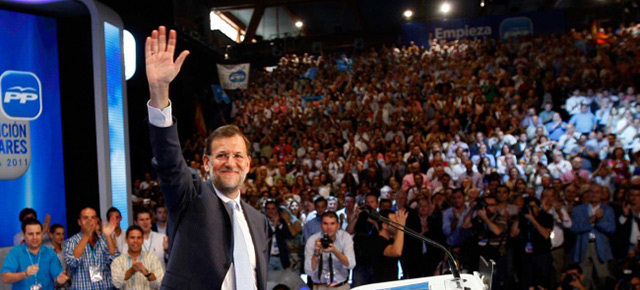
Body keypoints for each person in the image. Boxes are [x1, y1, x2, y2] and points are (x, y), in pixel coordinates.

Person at [145, 26, 268, 289]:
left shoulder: (260, 222)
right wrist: (159, 92)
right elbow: (168, 161)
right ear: (206, 163)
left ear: (248, 164)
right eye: (221, 155)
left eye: (237, 155)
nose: (230, 162)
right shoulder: (190, 196)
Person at [1, 219, 70, 290]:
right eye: (31, 234)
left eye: (38, 233)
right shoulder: (15, 252)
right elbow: (5, 278)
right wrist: (24, 274)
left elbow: (57, 279)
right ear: (23, 234)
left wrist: (60, 280)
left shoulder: (50, 253)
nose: (35, 237)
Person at [570, 184, 615, 290]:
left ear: (601, 195)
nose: (594, 195)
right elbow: (574, 228)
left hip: (600, 247)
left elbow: (611, 229)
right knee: (584, 276)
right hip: (583, 246)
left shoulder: (608, 210)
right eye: (591, 192)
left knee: (602, 276)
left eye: (597, 192)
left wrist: (599, 221)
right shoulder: (578, 209)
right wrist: (590, 222)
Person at [64, 207, 118, 290]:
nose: (90, 220)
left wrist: (108, 237)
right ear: (79, 222)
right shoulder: (71, 241)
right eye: (86, 218)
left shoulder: (104, 239)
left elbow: (114, 260)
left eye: (93, 218)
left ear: (97, 221)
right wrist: (86, 235)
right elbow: (73, 261)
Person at [304, 212, 355, 290]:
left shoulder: (345, 237)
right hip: (320, 286)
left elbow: (351, 264)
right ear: (321, 225)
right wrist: (316, 253)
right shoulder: (313, 240)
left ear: (338, 225)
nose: (329, 227)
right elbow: (308, 271)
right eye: (325, 223)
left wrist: (334, 250)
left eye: (332, 224)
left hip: (341, 286)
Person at [111, 225, 165, 290]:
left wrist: (147, 273)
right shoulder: (118, 261)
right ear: (126, 239)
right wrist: (132, 270)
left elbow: (161, 283)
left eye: (139, 238)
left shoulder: (153, 259)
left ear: (143, 240)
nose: (135, 241)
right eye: (132, 238)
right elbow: (116, 283)